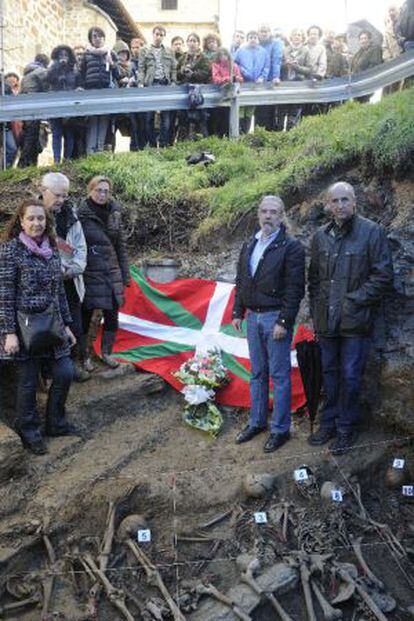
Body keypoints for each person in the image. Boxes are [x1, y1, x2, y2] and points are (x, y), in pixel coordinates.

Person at [308, 182, 394, 455]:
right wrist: (316, 312)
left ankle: (346, 428)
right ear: (328, 205)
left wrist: (353, 301)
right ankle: (329, 423)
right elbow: (314, 280)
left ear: (355, 202)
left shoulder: (372, 232)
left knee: (351, 376)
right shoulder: (320, 236)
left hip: (356, 322)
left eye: (346, 200)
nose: (341, 205)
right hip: (326, 322)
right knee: (329, 374)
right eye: (335, 201)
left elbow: (383, 276)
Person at [0, 201, 77, 455]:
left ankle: (55, 422)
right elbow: (5, 294)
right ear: (21, 221)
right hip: (23, 328)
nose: (36, 223)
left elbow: (59, 293)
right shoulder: (11, 251)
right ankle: (29, 431)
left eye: (41, 219)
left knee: (65, 371)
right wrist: (9, 333)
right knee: (28, 381)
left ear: (47, 221)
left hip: (52, 325)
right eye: (31, 219)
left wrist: (66, 324)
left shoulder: (52, 249)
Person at [232, 196, 305, 452]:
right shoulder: (250, 243)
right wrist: (237, 312)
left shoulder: (291, 247)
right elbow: (241, 279)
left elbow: (295, 290)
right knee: (257, 374)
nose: (268, 216)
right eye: (264, 211)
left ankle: (280, 429)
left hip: (275, 319)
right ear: (258, 214)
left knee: (280, 376)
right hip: (252, 317)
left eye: (274, 212)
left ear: (282, 215)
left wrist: (284, 321)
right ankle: (257, 422)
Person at [40, 172, 89, 382]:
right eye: (57, 195)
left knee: (74, 328)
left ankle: (68, 368)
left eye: (65, 196)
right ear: (43, 191)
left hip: (69, 283)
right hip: (43, 287)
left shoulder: (72, 218)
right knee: (45, 329)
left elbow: (80, 250)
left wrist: (70, 270)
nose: (61, 200)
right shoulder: (33, 215)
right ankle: (46, 371)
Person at [78, 176, 130, 369]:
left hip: (111, 270)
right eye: (98, 190)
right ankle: (84, 356)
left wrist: (125, 275)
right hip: (90, 272)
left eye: (106, 191)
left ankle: (107, 353)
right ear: (90, 190)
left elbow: (120, 246)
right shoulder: (81, 214)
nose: (102, 194)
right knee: (86, 314)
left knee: (112, 313)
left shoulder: (114, 213)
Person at [79, 26, 119, 154]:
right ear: (91, 39)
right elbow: (81, 73)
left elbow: (118, 74)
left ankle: (100, 149)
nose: (97, 39)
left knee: (103, 119)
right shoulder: (87, 54)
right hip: (91, 90)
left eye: (100, 36)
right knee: (92, 119)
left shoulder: (110, 53)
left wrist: (112, 63)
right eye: (94, 36)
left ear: (104, 38)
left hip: (105, 90)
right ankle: (91, 150)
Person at [138, 25, 177, 148]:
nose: (158, 37)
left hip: (165, 84)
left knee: (166, 117)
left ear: (164, 36)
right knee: (149, 117)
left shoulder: (169, 51)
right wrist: (141, 82)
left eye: (161, 35)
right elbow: (141, 68)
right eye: (157, 34)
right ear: (153, 35)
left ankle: (164, 143)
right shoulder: (144, 50)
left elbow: (173, 68)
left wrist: (174, 82)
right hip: (151, 84)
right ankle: (153, 144)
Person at [47, 45, 80, 163]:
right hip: (55, 105)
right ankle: (56, 159)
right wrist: (57, 74)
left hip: (69, 106)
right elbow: (48, 82)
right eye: (61, 55)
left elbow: (77, 85)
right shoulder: (51, 70)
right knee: (56, 133)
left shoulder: (74, 71)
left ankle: (67, 159)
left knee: (68, 133)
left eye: (66, 55)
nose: (63, 58)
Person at [234, 31, 270, 133]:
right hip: (243, 83)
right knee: (241, 107)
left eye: (255, 37)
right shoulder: (241, 51)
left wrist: (262, 77)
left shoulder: (263, 52)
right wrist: (241, 73)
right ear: (247, 39)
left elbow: (266, 67)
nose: (253, 39)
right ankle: (239, 132)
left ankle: (246, 131)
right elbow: (234, 64)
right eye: (250, 37)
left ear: (257, 39)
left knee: (250, 108)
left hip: (256, 84)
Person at [176, 33, 211, 139]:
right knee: (183, 120)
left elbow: (206, 73)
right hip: (184, 93)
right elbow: (176, 75)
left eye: (194, 41)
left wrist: (193, 74)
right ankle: (183, 144)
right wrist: (182, 71)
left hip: (198, 93)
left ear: (198, 43)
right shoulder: (183, 58)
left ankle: (202, 144)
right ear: (187, 43)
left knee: (201, 120)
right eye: (190, 41)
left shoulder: (204, 58)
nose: (192, 43)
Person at [18, 54, 49, 167]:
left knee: (29, 136)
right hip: (35, 108)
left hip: (26, 109)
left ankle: (27, 164)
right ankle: (26, 164)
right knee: (32, 138)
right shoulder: (41, 71)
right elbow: (47, 89)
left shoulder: (27, 74)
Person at [255, 24, 283, 131]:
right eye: (262, 31)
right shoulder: (256, 44)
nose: (264, 33)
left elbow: (276, 60)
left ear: (270, 32)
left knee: (270, 110)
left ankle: (270, 134)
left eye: (266, 31)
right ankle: (258, 134)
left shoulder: (276, 44)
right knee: (259, 110)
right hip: (258, 82)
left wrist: (276, 76)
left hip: (271, 81)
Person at [211, 48, 243, 137]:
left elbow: (240, 79)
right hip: (220, 96)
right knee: (220, 119)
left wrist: (236, 78)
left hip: (232, 97)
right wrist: (228, 78)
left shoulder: (234, 66)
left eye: (225, 55)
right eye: (221, 56)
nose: (223, 58)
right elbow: (216, 79)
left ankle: (231, 136)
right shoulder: (216, 66)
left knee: (230, 119)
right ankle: (220, 137)